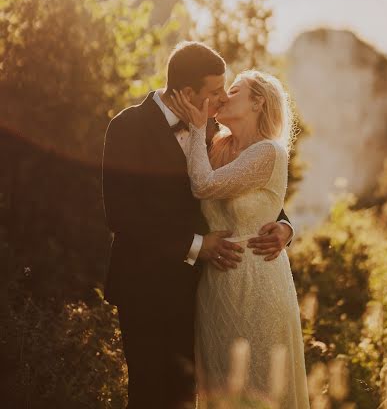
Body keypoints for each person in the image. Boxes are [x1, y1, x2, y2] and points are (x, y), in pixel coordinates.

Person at [101, 42, 294, 409]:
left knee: (189, 396)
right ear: (187, 93)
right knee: (148, 392)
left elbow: (252, 193)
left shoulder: (213, 132)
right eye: (214, 92)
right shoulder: (127, 128)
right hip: (146, 287)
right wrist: (196, 245)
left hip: (202, 291)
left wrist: (285, 227)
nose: (221, 99)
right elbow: (122, 215)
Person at [169, 70, 310, 408]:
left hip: (258, 282)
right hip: (215, 286)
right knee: (221, 387)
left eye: (233, 90)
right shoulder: (214, 145)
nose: (223, 97)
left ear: (258, 102)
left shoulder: (270, 153)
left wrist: (285, 229)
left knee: (261, 386)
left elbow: (203, 185)